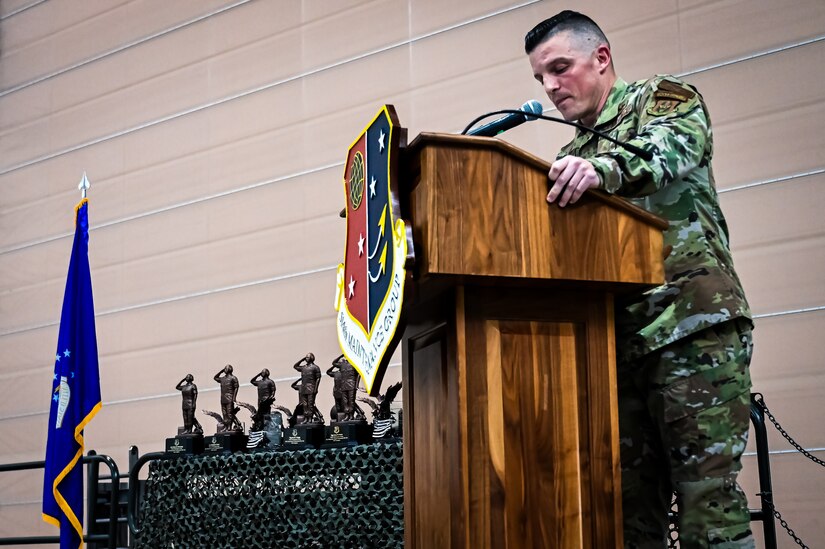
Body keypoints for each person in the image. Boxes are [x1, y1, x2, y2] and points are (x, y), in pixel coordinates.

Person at [525, 11, 754, 548]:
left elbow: (671, 148)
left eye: (560, 68)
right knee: (627, 514)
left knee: (707, 504)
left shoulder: (663, 98)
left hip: (692, 327)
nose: (551, 87)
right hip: (613, 349)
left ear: (601, 58)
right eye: (540, 78)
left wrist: (602, 171)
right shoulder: (568, 155)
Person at [293, 353, 322, 424]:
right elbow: (295, 366)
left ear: (312, 358)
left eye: (307, 357)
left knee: (310, 405)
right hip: (304, 388)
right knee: (305, 405)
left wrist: (316, 388)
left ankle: (310, 418)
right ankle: (306, 418)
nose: (306, 359)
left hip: (311, 388)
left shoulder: (315, 367)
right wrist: (302, 359)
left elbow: (318, 378)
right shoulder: (304, 368)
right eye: (305, 357)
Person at [213, 364, 240, 432]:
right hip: (223, 399)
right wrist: (221, 371)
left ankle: (229, 427)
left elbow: (236, 387)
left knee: (230, 413)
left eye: (225, 369)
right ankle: (226, 426)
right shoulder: (223, 378)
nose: (224, 370)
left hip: (229, 398)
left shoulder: (233, 378)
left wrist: (234, 398)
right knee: (224, 414)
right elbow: (215, 378)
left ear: (229, 369)